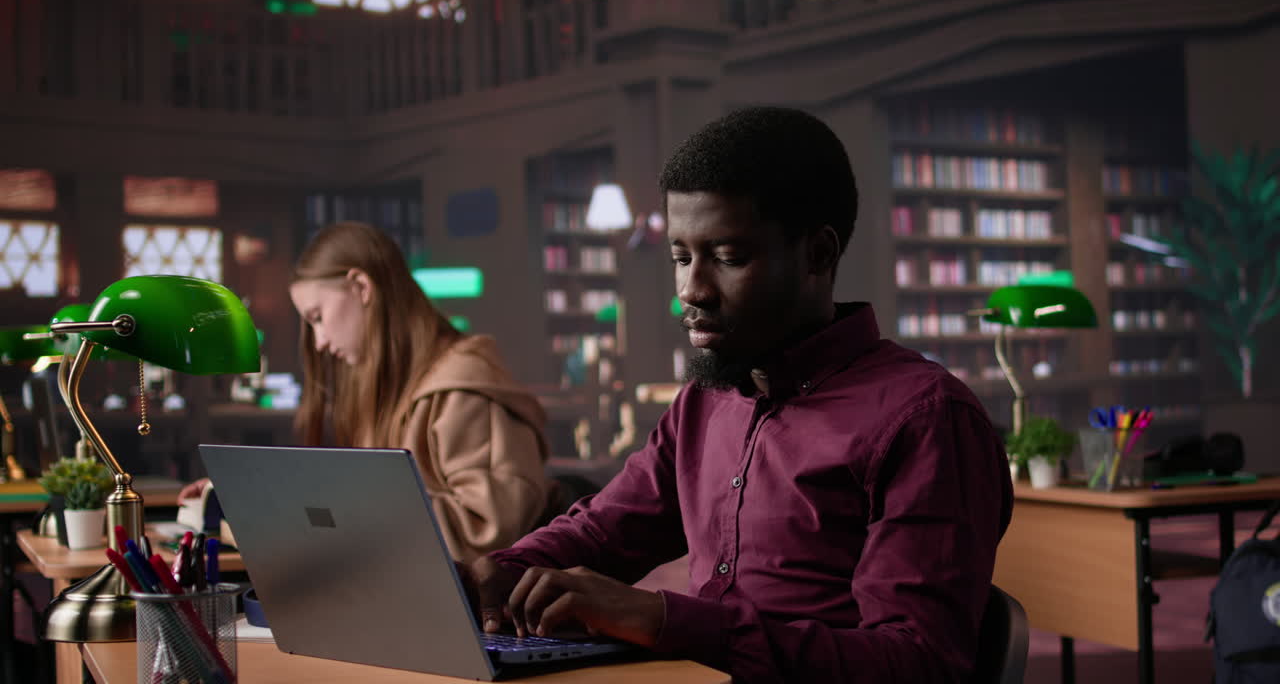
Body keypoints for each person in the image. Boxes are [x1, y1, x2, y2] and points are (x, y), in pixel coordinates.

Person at [462, 107, 1013, 683]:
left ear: (818, 256)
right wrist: (494, 572)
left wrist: (661, 619)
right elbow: (605, 529)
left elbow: (918, 664)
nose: (691, 290)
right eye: (681, 257)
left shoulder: (924, 418)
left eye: (727, 258)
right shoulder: (705, 400)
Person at [182, 222, 558, 562]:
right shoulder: (394, 387)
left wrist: (329, 500)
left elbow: (487, 537)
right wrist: (253, 493)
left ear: (361, 287)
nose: (320, 342)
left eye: (318, 317)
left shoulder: (465, 390)